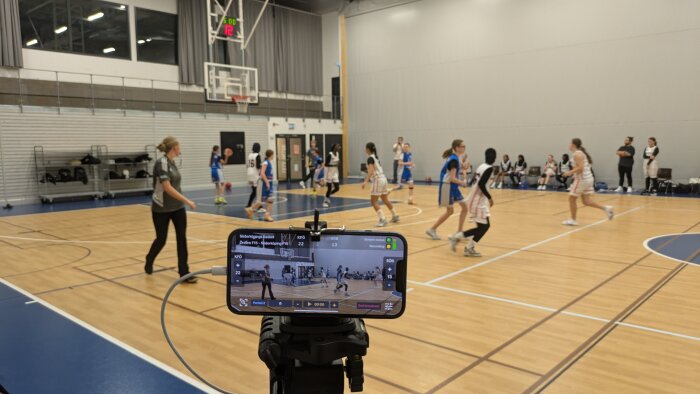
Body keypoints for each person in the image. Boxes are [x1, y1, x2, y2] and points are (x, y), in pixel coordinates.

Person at [145, 136, 198, 283]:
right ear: (174, 148)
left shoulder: (172, 163)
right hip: (161, 208)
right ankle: (149, 259)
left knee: (182, 238)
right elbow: (167, 188)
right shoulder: (161, 163)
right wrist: (187, 200)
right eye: (179, 146)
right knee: (161, 239)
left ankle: (184, 272)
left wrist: (182, 202)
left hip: (177, 208)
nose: (180, 149)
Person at [450, 148, 497, 257]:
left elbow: (473, 181)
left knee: (482, 227)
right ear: (494, 158)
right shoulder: (489, 168)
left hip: (474, 198)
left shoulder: (481, 166)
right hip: (478, 201)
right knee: (484, 226)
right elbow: (481, 184)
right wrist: (490, 198)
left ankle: (468, 246)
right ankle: (459, 238)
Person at [562, 138, 614, 226]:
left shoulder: (577, 154)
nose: (569, 145)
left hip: (582, 180)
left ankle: (573, 220)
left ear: (574, 145)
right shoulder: (580, 153)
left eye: (570, 143)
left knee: (571, 198)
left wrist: (569, 172)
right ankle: (606, 208)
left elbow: (580, 168)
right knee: (586, 201)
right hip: (588, 179)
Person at [425, 139, 468, 240]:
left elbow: (459, 167)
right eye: (463, 146)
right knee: (450, 211)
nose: (464, 148)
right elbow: (452, 178)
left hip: (452, 187)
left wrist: (464, 166)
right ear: (457, 148)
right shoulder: (453, 160)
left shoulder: (455, 157)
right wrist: (463, 182)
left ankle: (459, 232)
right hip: (447, 187)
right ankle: (432, 229)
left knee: (465, 208)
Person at [362, 142, 400, 227]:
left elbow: (371, 171)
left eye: (365, 148)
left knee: (373, 201)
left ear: (368, 149)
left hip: (378, 180)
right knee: (384, 198)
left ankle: (382, 219)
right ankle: (395, 215)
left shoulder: (370, 158)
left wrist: (365, 181)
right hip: (383, 179)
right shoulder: (376, 157)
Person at [246, 149, 275, 222]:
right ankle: (250, 209)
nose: (273, 156)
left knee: (271, 199)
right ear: (271, 155)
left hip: (269, 182)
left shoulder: (269, 162)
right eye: (273, 155)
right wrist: (267, 182)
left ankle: (267, 215)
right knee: (259, 202)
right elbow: (262, 173)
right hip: (263, 183)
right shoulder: (265, 162)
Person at [246, 143, 262, 209]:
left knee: (254, 191)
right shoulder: (257, 155)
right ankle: (259, 206)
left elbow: (247, 165)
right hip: (255, 175)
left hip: (249, 173)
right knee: (258, 192)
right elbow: (258, 166)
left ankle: (249, 204)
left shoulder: (249, 155)